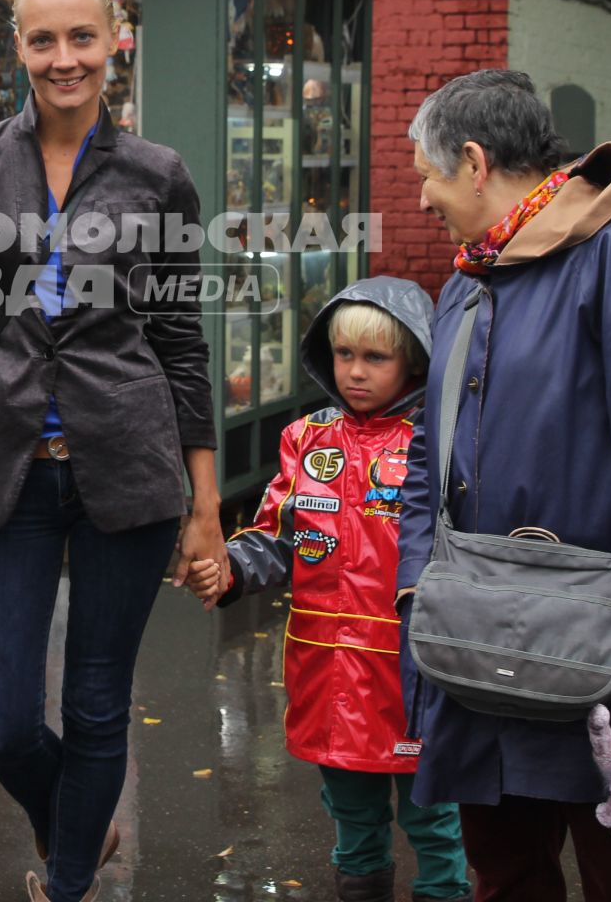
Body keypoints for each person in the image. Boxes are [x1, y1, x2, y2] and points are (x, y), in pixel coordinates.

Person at [0, 0, 225, 902]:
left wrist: (205, 507)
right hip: (5, 472)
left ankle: (68, 882)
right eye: (44, 38)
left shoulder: (158, 177)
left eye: (83, 37)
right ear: (19, 46)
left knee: (97, 702)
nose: (64, 58)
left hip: (130, 469)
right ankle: (71, 820)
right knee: (0, 722)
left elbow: (180, 345)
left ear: (115, 42)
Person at [396, 69, 611, 902]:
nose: (423, 200)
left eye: (429, 176)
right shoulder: (471, 278)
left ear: (475, 163)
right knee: (505, 867)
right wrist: (419, 585)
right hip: (479, 635)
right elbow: (425, 453)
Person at [190, 278, 470, 902]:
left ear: (415, 360)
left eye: (376, 358)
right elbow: (276, 539)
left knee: (433, 819)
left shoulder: (440, 442)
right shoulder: (306, 438)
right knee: (352, 818)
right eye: (344, 355)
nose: (356, 372)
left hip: (415, 672)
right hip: (328, 672)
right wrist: (227, 568)